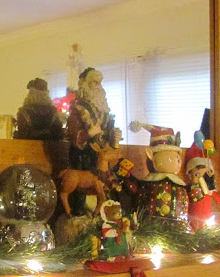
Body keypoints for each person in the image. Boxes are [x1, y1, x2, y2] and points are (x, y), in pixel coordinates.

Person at [65, 67, 122, 215]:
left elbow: (109, 135)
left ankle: (103, 213)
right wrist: (88, 134)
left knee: (104, 184)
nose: (98, 86)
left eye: (100, 82)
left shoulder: (104, 111)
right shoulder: (78, 108)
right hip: (83, 155)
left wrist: (115, 136)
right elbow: (73, 133)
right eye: (94, 82)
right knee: (82, 188)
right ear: (85, 84)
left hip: (101, 155)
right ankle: (80, 213)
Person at [129, 122, 189, 223]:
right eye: (170, 157)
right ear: (151, 155)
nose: (177, 160)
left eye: (177, 157)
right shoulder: (148, 183)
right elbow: (138, 194)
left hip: (178, 225)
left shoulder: (179, 184)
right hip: (149, 225)